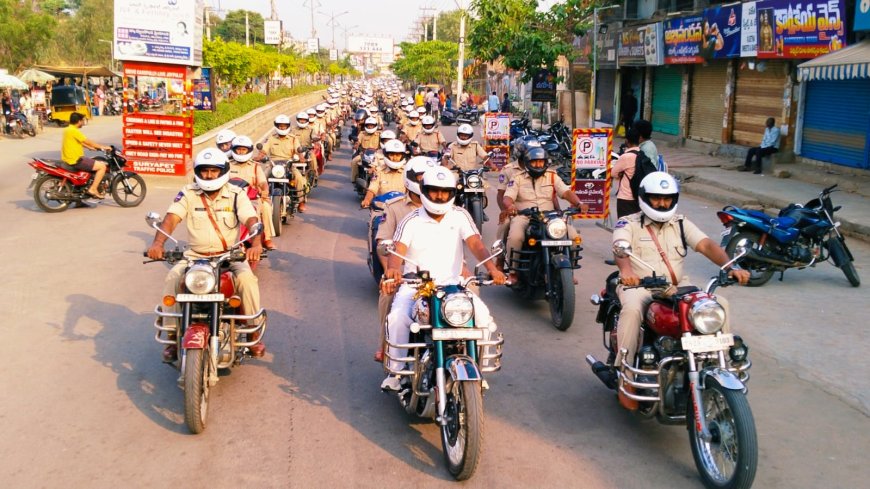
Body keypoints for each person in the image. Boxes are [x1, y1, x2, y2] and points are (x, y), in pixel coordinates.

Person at [611, 171, 750, 409]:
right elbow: (619, 247)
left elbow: (706, 245)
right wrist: (626, 271)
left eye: (667, 198)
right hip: (640, 286)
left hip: (676, 287)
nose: (662, 203)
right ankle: (626, 374)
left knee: (718, 304)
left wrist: (730, 265)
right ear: (645, 197)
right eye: (656, 198)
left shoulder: (681, 223)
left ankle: (719, 365)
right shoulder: (629, 223)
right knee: (632, 310)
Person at [380, 166, 507, 390]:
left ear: (452, 193)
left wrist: (493, 269)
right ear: (424, 191)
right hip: (415, 285)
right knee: (397, 318)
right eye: (434, 191)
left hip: (454, 285)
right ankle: (396, 373)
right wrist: (393, 270)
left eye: (445, 192)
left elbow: (476, 244)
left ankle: (477, 370)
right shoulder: (411, 220)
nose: (440, 196)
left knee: (484, 318)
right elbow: (396, 250)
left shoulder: (460, 215)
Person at [146, 148, 265, 360]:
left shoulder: (237, 195)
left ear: (223, 172)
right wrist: (158, 243)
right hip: (194, 256)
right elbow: (171, 218)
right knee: (172, 277)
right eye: (204, 171)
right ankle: (173, 335)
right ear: (197, 173)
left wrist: (256, 244)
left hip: (230, 255)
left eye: (213, 171)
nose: (209, 176)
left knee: (247, 281)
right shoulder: (189, 193)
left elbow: (251, 220)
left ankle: (252, 331)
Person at [372, 156, 437, 361]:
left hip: (439, 271)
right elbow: (383, 242)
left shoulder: (442, 206)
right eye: (421, 177)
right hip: (405, 273)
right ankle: (385, 346)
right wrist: (391, 273)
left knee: (469, 296)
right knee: (388, 296)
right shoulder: (394, 207)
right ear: (410, 180)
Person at [500, 147, 588, 280]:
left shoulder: (552, 176)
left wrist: (579, 204)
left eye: (541, 162)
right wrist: (510, 206)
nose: (538, 165)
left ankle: (569, 271)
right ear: (528, 162)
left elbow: (566, 192)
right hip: (525, 216)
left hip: (550, 218)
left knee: (573, 236)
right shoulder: (517, 178)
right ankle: (514, 271)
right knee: (515, 237)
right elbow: (507, 197)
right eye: (535, 162)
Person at [228, 135, 276, 250]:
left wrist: (265, 191)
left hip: (251, 199)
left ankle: (267, 238)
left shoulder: (255, 166)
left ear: (248, 150)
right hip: (229, 198)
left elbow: (263, 182)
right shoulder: (227, 165)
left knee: (266, 207)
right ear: (234, 150)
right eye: (238, 149)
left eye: (243, 149)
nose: (240, 152)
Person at [60, 112, 111, 199]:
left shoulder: (67, 129)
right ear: (79, 121)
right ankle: (93, 189)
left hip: (68, 159)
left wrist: (90, 148)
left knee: (92, 164)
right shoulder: (74, 131)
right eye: (82, 121)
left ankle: (81, 200)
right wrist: (103, 147)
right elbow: (87, 141)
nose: (83, 122)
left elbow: (79, 142)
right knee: (102, 167)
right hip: (76, 160)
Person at [264, 114, 308, 212]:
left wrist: (301, 157)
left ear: (288, 126)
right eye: (280, 126)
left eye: (284, 126)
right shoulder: (271, 138)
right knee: (262, 176)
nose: (282, 127)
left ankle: (301, 202)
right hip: (273, 164)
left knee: (299, 178)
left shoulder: (293, 138)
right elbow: (264, 149)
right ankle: (261, 199)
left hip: (288, 164)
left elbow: (298, 149)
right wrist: (259, 156)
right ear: (277, 126)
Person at [360, 139, 407, 209]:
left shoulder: (407, 172)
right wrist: (367, 200)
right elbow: (372, 189)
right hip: (381, 208)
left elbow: (412, 192)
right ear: (386, 155)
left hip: (401, 209)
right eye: (391, 154)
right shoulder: (379, 171)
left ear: (402, 156)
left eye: (398, 155)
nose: (394, 158)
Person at [611, 127, 643, 218]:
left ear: (626, 141)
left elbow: (613, 173)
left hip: (625, 197)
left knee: (624, 226)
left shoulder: (626, 157)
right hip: (639, 197)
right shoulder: (642, 154)